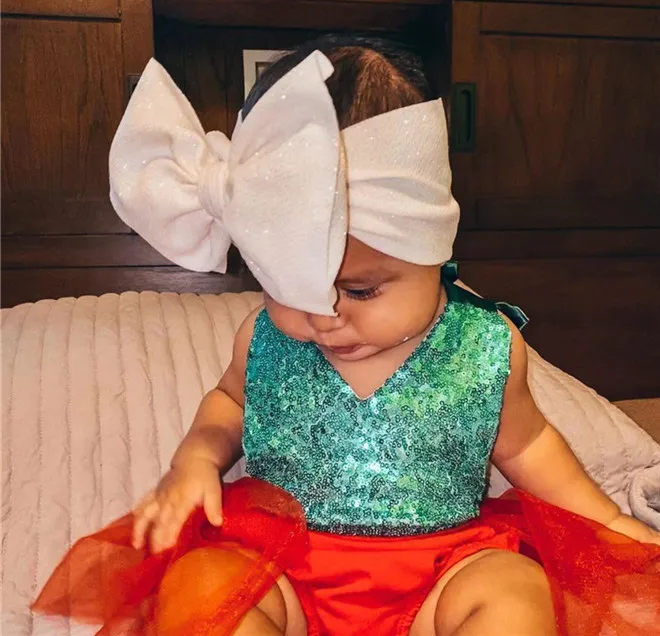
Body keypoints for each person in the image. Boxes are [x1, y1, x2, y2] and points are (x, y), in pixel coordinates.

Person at [33, 35, 660, 636]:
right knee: (197, 586)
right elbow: (227, 403)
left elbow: (529, 447)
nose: (325, 315)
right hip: (278, 563)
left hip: (442, 568)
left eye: (360, 290)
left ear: (434, 251)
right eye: (291, 287)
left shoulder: (485, 345)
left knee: (517, 592)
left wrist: (606, 518)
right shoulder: (263, 338)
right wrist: (195, 458)